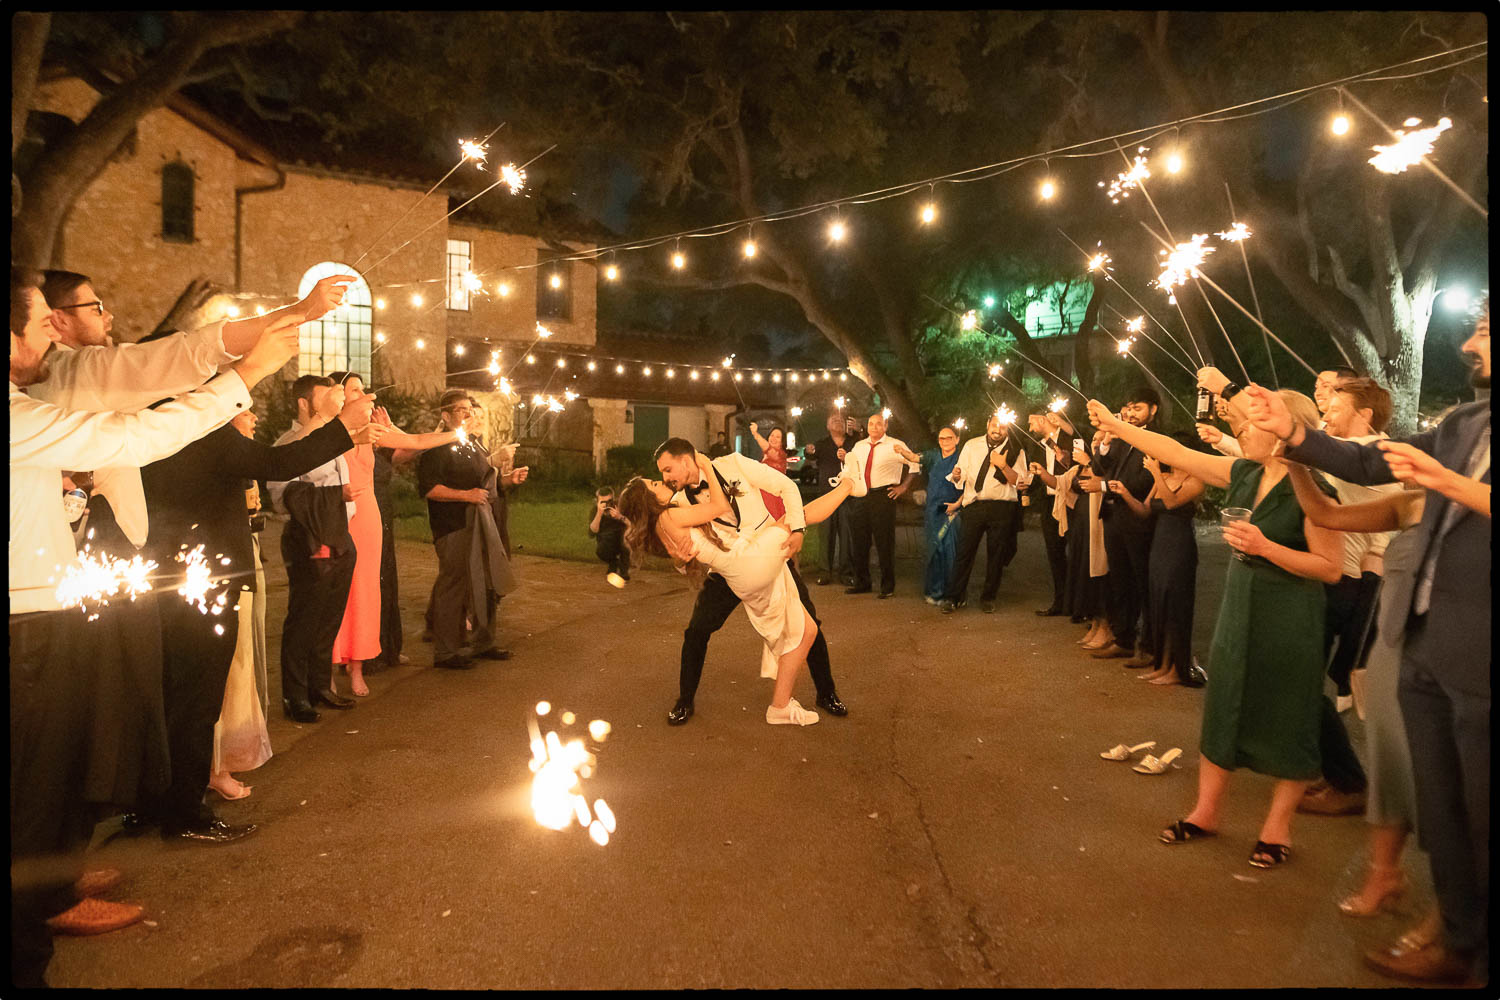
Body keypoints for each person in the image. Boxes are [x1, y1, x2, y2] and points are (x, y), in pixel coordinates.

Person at [9, 267, 296, 987]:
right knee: (31, 800)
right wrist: (247, 373)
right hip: (25, 629)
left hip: (42, 612)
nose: (54, 327)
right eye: (42, 317)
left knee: (43, 791)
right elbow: (133, 435)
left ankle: (44, 896)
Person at [1244, 302, 1490, 986]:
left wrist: (1451, 484)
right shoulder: (1466, 424)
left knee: (1481, 811)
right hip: (1424, 644)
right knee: (1442, 809)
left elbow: (1443, 494)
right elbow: (1360, 461)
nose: (1470, 344)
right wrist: (1291, 434)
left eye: (1486, 330)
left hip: (1482, 649)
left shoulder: (1456, 458)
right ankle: (1458, 942)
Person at [1085, 386, 1344, 872]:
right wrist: (1117, 427)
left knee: (1288, 714)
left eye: (1252, 423)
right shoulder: (1244, 473)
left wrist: (1267, 548)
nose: (1240, 430)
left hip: (1290, 613)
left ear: (1286, 433)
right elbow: (1178, 453)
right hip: (1241, 606)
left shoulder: (1315, 491)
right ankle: (1205, 813)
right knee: (1224, 704)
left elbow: (1330, 567)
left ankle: (1276, 828)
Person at [137, 361, 373, 839]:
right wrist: (345, 425)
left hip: (163, 575)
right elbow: (279, 464)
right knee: (198, 699)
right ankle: (185, 812)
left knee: (166, 694)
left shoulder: (151, 425)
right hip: (205, 581)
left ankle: (153, 802)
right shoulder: (201, 430)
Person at [1283, 463, 1436, 945]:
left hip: (1458, 646)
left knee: (1452, 780)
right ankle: (1383, 873)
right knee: (1389, 758)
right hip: (1399, 641)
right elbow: (1323, 511)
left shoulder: (1466, 505)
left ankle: (1452, 916)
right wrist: (1295, 463)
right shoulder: (1410, 504)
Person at [618, 450, 866, 725]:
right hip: (727, 570)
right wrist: (679, 558)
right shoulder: (675, 503)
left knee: (809, 622)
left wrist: (796, 530)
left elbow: (784, 486)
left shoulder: (732, 464)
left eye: (666, 471)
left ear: (685, 459)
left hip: (762, 552)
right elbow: (682, 553)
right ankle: (684, 700)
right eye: (658, 478)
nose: (664, 479)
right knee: (697, 630)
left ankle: (826, 693)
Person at [1298, 376, 1400, 818]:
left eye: (1337, 407)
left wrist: (1228, 391)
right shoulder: (1350, 456)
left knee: (1305, 683)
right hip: (1346, 581)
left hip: (1351, 585)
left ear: (1365, 415)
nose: (1328, 414)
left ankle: (1349, 781)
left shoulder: (1372, 459)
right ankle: (1330, 771)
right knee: (1304, 682)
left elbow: (1323, 469)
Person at [327, 373, 459, 697]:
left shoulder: (373, 433)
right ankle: (328, 669)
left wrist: (456, 434)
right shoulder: (329, 433)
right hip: (340, 518)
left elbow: (413, 442)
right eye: (354, 389)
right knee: (336, 595)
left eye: (362, 388)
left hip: (369, 518)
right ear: (338, 396)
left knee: (366, 594)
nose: (363, 394)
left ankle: (358, 668)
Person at [416, 390, 516, 671]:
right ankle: (447, 651)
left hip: (481, 523)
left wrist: (507, 479)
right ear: (445, 416)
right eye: (461, 410)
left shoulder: (474, 445)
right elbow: (430, 489)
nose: (469, 413)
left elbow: (482, 481)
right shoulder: (436, 448)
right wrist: (466, 496)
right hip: (454, 525)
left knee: (485, 581)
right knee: (455, 585)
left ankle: (483, 642)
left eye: (469, 408)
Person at [207, 411, 274, 802]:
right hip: (222, 568)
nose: (253, 417)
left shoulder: (241, 462)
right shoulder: (218, 455)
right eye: (243, 410)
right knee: (230, 665)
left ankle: (227, 757)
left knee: (244, 658)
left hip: (244, 555)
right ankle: (218, 764)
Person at [1105, 435, 1207, 685]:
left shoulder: (1196, 480)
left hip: (1180, 545)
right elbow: (1144, 510)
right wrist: (1125, 493)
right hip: (1159, 543)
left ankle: (1176, 668)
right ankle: (1162, 664)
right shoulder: (1164, 478)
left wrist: (1155, 473)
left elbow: (1171, 503)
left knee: (1176, 607)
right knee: (1158, 603)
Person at [1090, 387, 1160, 660]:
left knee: (1141, 581)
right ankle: (1124, 638)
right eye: (1128, 408)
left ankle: (1149, 643)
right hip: (1113, 517)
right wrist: (1106, 440)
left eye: (1138, 408)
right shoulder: (1121, 438)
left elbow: (1144, 482)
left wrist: (1105, 486)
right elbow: (1099, 468)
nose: (1131, 414)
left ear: (1153, 410)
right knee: (1119, 579)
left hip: (1138, 519)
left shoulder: (1155, 439)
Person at [941, 413, 1026, 613]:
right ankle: (955, 597)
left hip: (1002, 507)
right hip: (975, 506)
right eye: (994, 425)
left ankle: (988, 597)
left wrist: (1003, 465)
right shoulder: (971, 445)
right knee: (964, 552)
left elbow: (1020, 482)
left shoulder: (1015, 449)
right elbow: (959, 473)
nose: (997, 429)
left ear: (1008, 429)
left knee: (996, 554)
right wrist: (956, 475)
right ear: (988, 424)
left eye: (1003, 427)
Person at [844, 411, 920, 598]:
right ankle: (862, 581)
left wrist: (903, 487)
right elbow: (851, 467)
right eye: (871, 424)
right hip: (861, 495)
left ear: (885, 426)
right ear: (867, 426)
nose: (874, 427)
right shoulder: (859, 446)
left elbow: (915, 465)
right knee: (859, 541)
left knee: (884, 542)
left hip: (882, 496)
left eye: (879, 424)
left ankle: (887, 585)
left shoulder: (895, 444)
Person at [805, 412, 856, 585]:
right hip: (827, 494)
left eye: (841, 420)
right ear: (827, 426)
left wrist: (847, 456)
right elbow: (810, 454)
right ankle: (825, 571)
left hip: (847, 495)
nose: (838, 422)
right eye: (833, 420)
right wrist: (808, 450)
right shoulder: (822, 444)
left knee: (846, 533)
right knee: (826, 534)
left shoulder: (853, 443)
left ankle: (846, 572)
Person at [1030, 411, 1073, 616]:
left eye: (1031, 422)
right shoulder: (1037, 445)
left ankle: (1081, 604)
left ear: (1042, 419)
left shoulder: (1069, 438)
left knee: (1076, 552)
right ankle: (1061, 601)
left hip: (1071, 500)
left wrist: (1063, 423)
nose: (1029, 428)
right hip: (1048, 502)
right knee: (1054, 553)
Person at [919, 426, 963, 605]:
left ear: (957, 439)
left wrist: (957, 505)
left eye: (949, 438)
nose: (945, 442)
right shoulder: (934, 456)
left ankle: (952, 594)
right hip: (933, 511)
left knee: (950, 553)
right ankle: (934, 591)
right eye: (941, 438)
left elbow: (972, 485)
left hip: (952, 511)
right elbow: (915, 458)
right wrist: (901, 452)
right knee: (934, 551)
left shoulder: (962, 458)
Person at [748, 421, 790, 518]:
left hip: (772, 498)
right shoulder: (766, 456)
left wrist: (755, 434)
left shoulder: (780, 454)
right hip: (762, 494)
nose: (773, 438)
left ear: (782, 442)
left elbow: (767, 448)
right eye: (772, 435)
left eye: (778, 437)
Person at [590, 488, 630, 579]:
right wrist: (599, 514)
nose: (607, 504)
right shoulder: (595, 510)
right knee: (601, 550)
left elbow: (633, 526)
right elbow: (593, 531)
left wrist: (620, 517)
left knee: (626, 541)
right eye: (602, 502)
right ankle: (614, 563)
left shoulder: (621, 507)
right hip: (606, 541)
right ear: (597, 501)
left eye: (609, 501)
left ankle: (624, 570)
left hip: (622, 538)